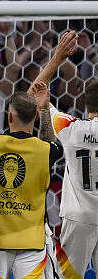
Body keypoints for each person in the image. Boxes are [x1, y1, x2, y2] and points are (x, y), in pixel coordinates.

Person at [0, 85, 60, 279]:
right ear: (34, 117)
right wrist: (43, 111)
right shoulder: (44, 150)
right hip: (31, 244)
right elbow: (52, 144)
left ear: (9, 117)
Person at [31, 31, 98, 279]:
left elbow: (32, 95)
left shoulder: (72, 128)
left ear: (86, 106)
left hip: (77, 217)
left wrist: (43, 103)